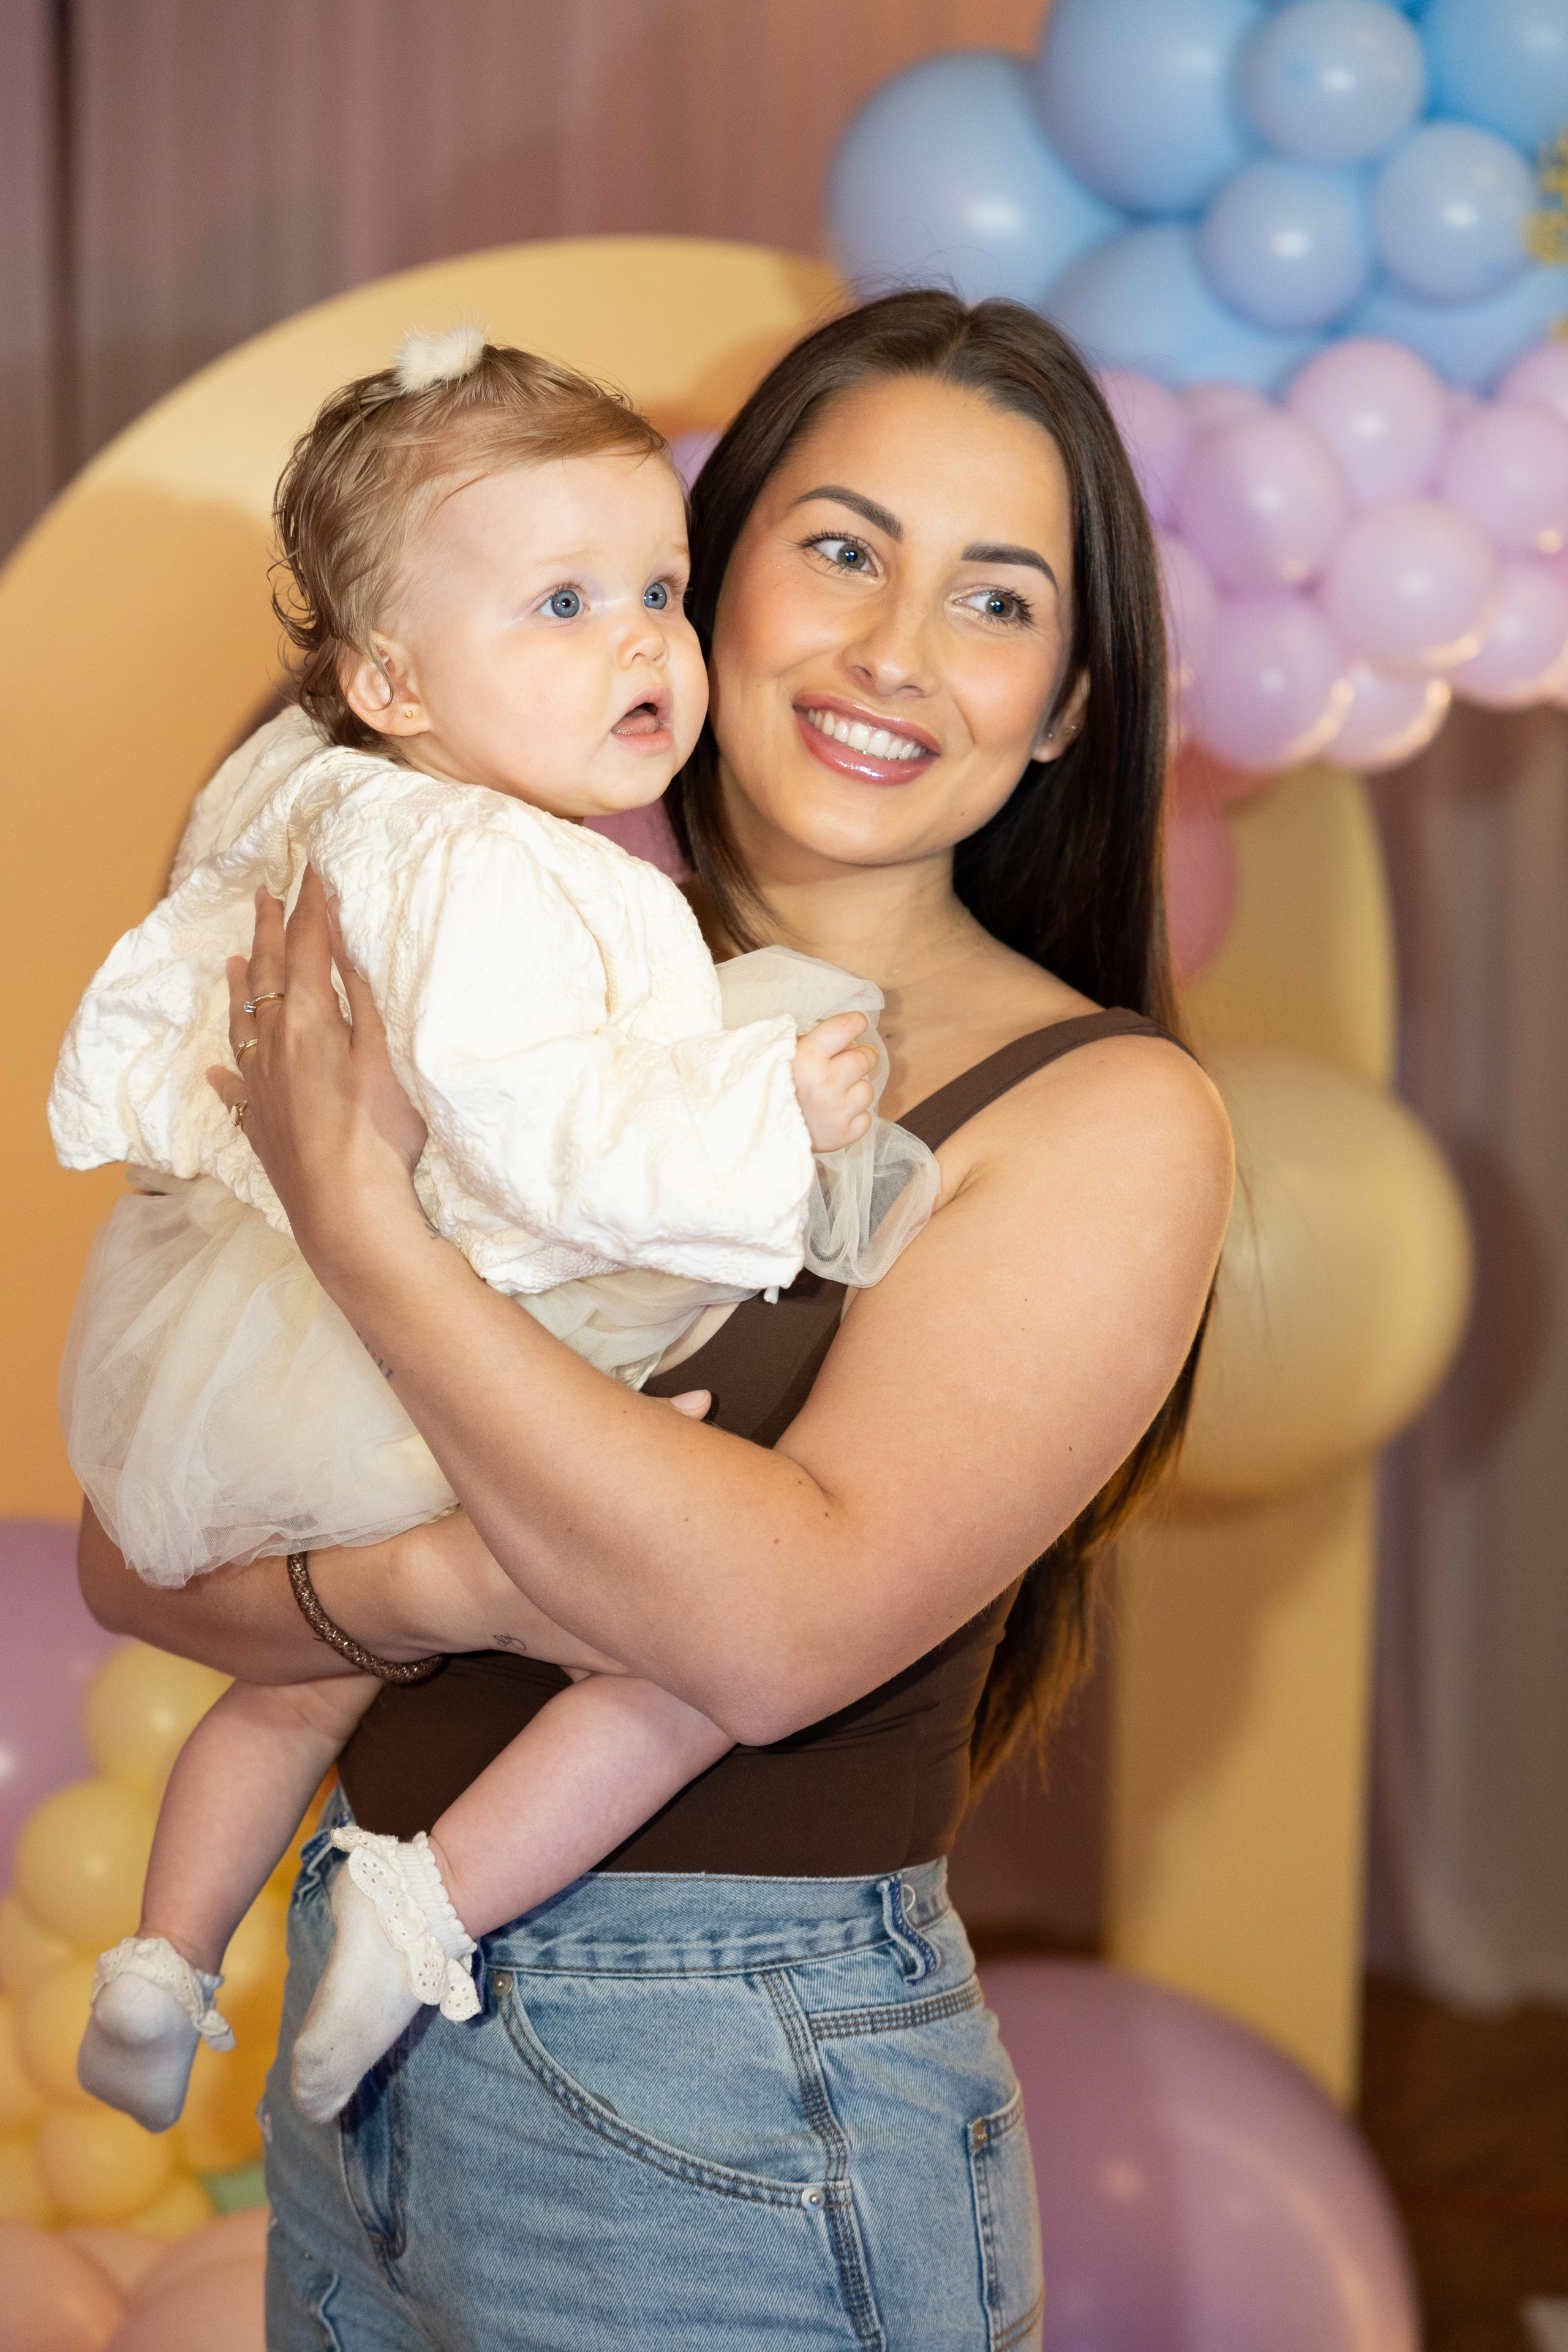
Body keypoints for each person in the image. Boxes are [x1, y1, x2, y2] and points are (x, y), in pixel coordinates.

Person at [78, 290, 1232, 2350]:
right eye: (844, 549)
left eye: (996, 602)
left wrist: (370, 1232)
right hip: (358, 2069)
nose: (894, 650)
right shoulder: (496, 957)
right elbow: (142, 1553)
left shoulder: (1103, 1115)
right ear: (719, 574)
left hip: (730, 2083)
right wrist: (449, 1580)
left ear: (1067, 706)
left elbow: (774, 1636)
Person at [55, 329, 937, 2137]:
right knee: (678, 1640)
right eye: (562, 604)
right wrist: (769, 1113)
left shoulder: (325, 793)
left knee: (301, 1696)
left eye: (659, 592)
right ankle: (428, 1907)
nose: (640, 644)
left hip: (280, 1342)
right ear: (391, 678)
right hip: (458, 1332)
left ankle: (160, 1963)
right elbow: (557, 1142)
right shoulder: (494, 869)